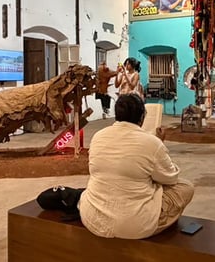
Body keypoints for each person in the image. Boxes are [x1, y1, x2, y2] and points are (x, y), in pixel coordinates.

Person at [79, 94, 194, 239]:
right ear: (142, 118)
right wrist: (160, 144)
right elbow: (170, 179)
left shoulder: (98, 136)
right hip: (133, 225)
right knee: (186, 187)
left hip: (92, 218)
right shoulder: (152, 143)